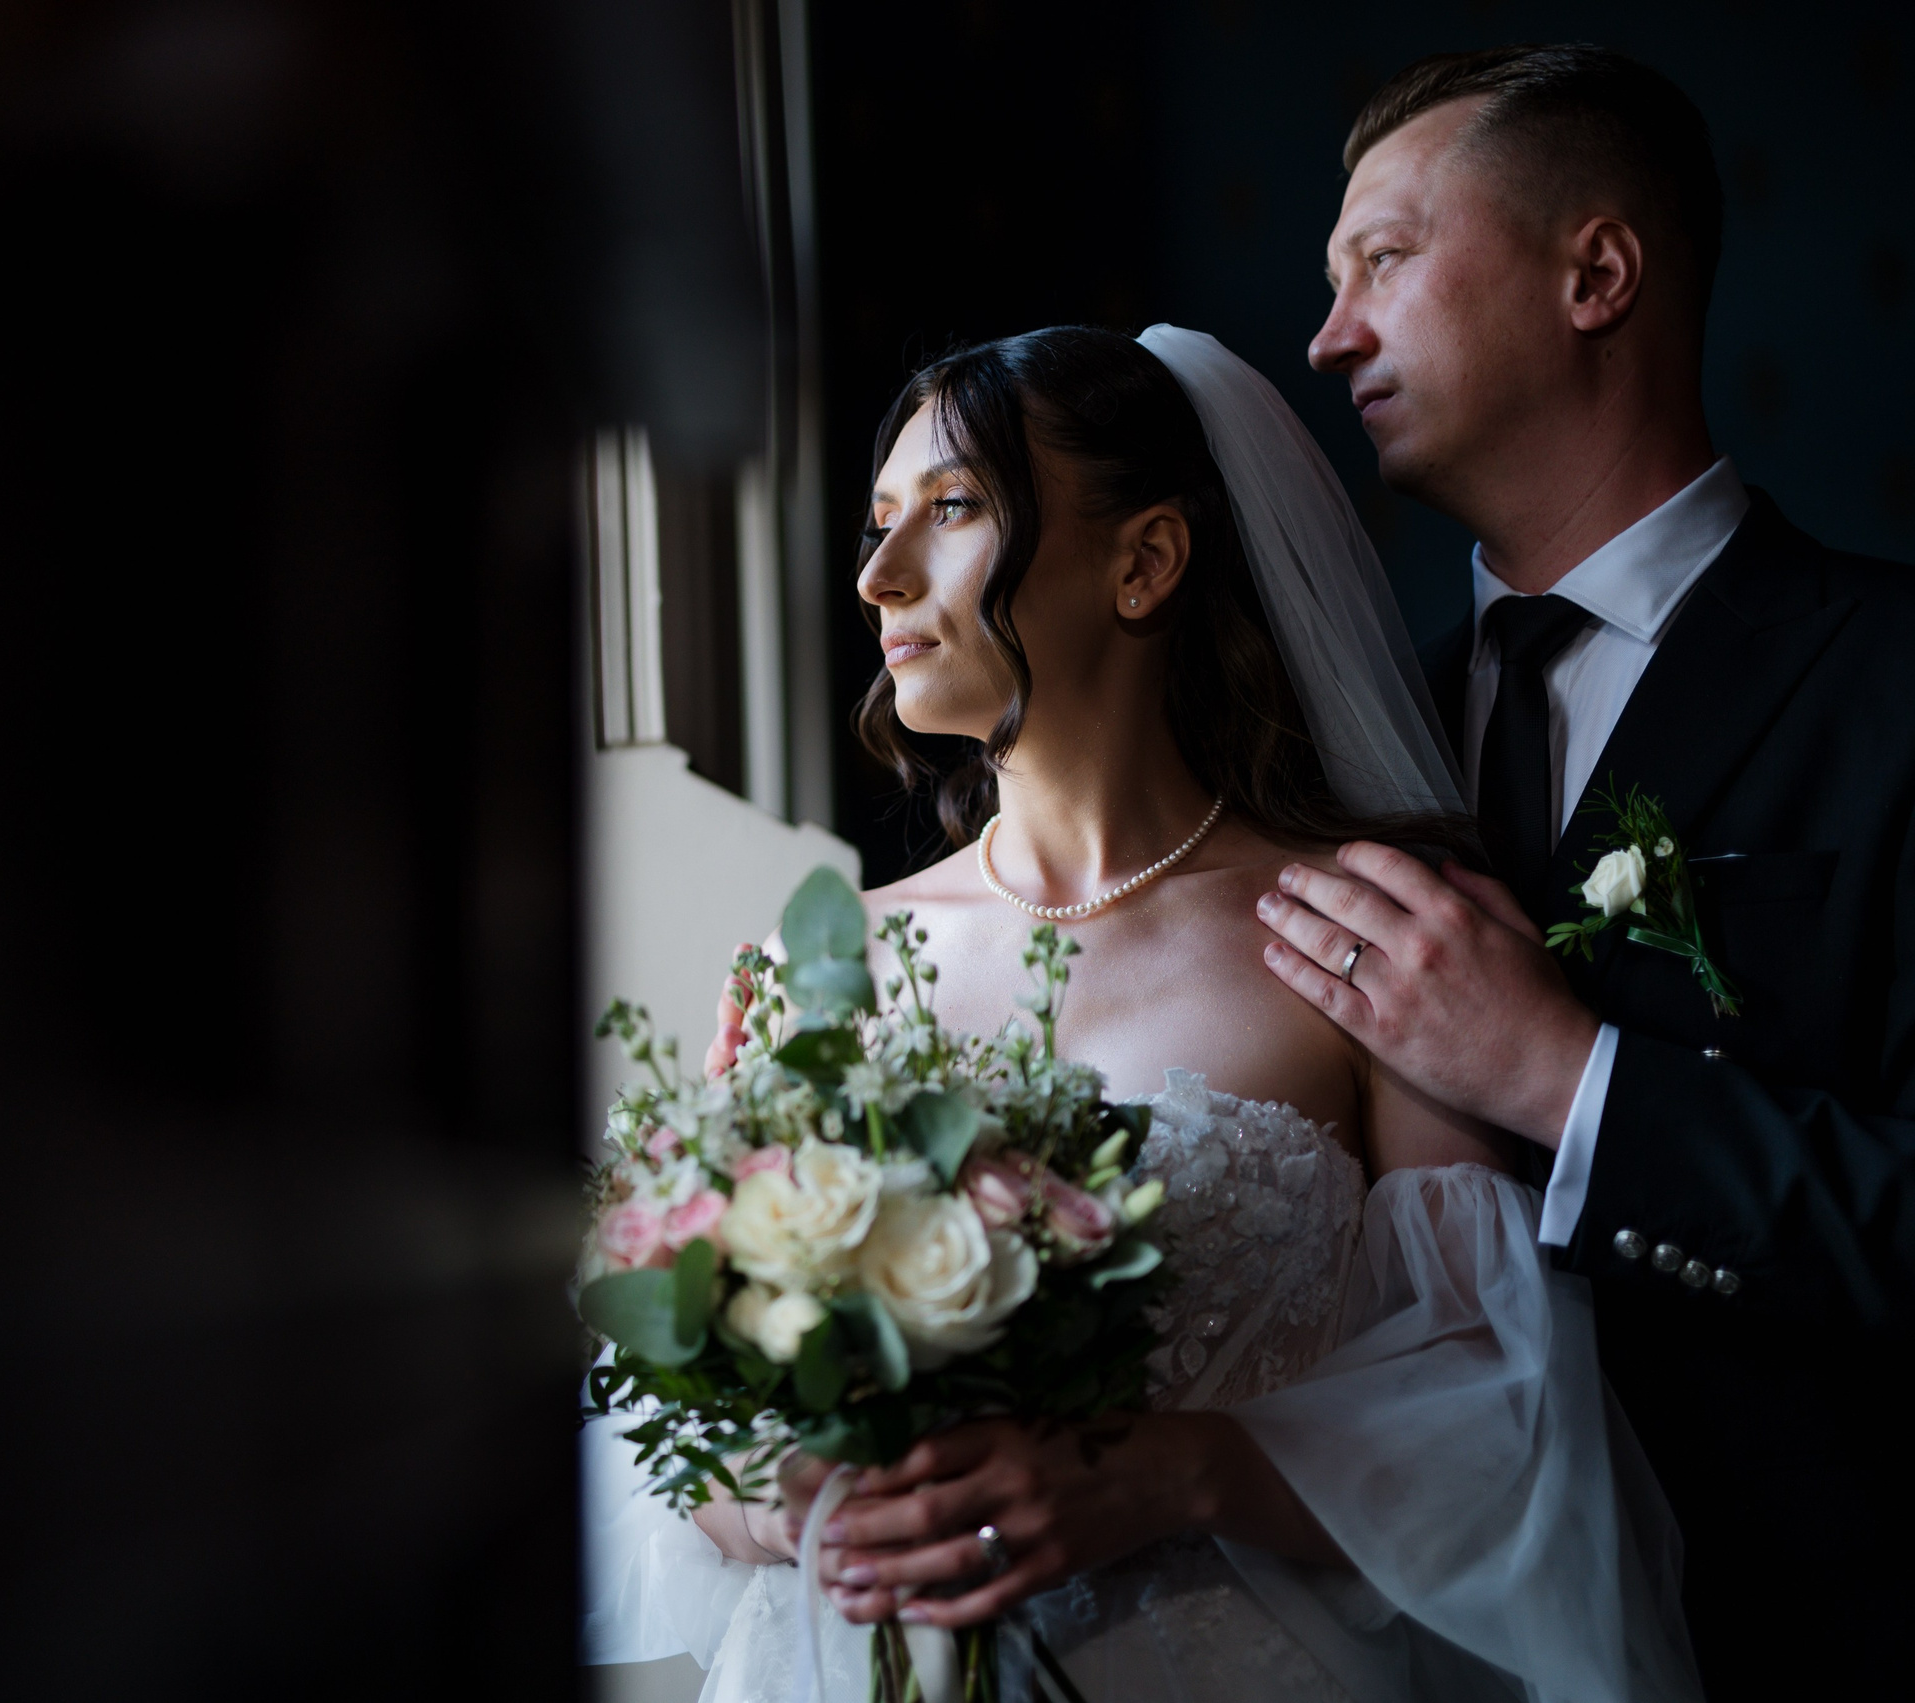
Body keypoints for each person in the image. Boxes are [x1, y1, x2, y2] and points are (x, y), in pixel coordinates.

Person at [585, 324, 1700, 1703]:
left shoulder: (1367, 936)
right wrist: (796, 1508)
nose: (880, 578)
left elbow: (1501, 1410)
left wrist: (1172, 1472)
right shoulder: (818, 968)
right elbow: (671, 1407)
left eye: (951, 510)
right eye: (879, 525)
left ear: (1144, 561)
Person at [1256, 46, 1913, 1693]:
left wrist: (1564, 1077)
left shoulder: (1894, 680)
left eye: (1383, 263)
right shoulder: (1336, 755)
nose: (1329, 339)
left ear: (1596, 274)